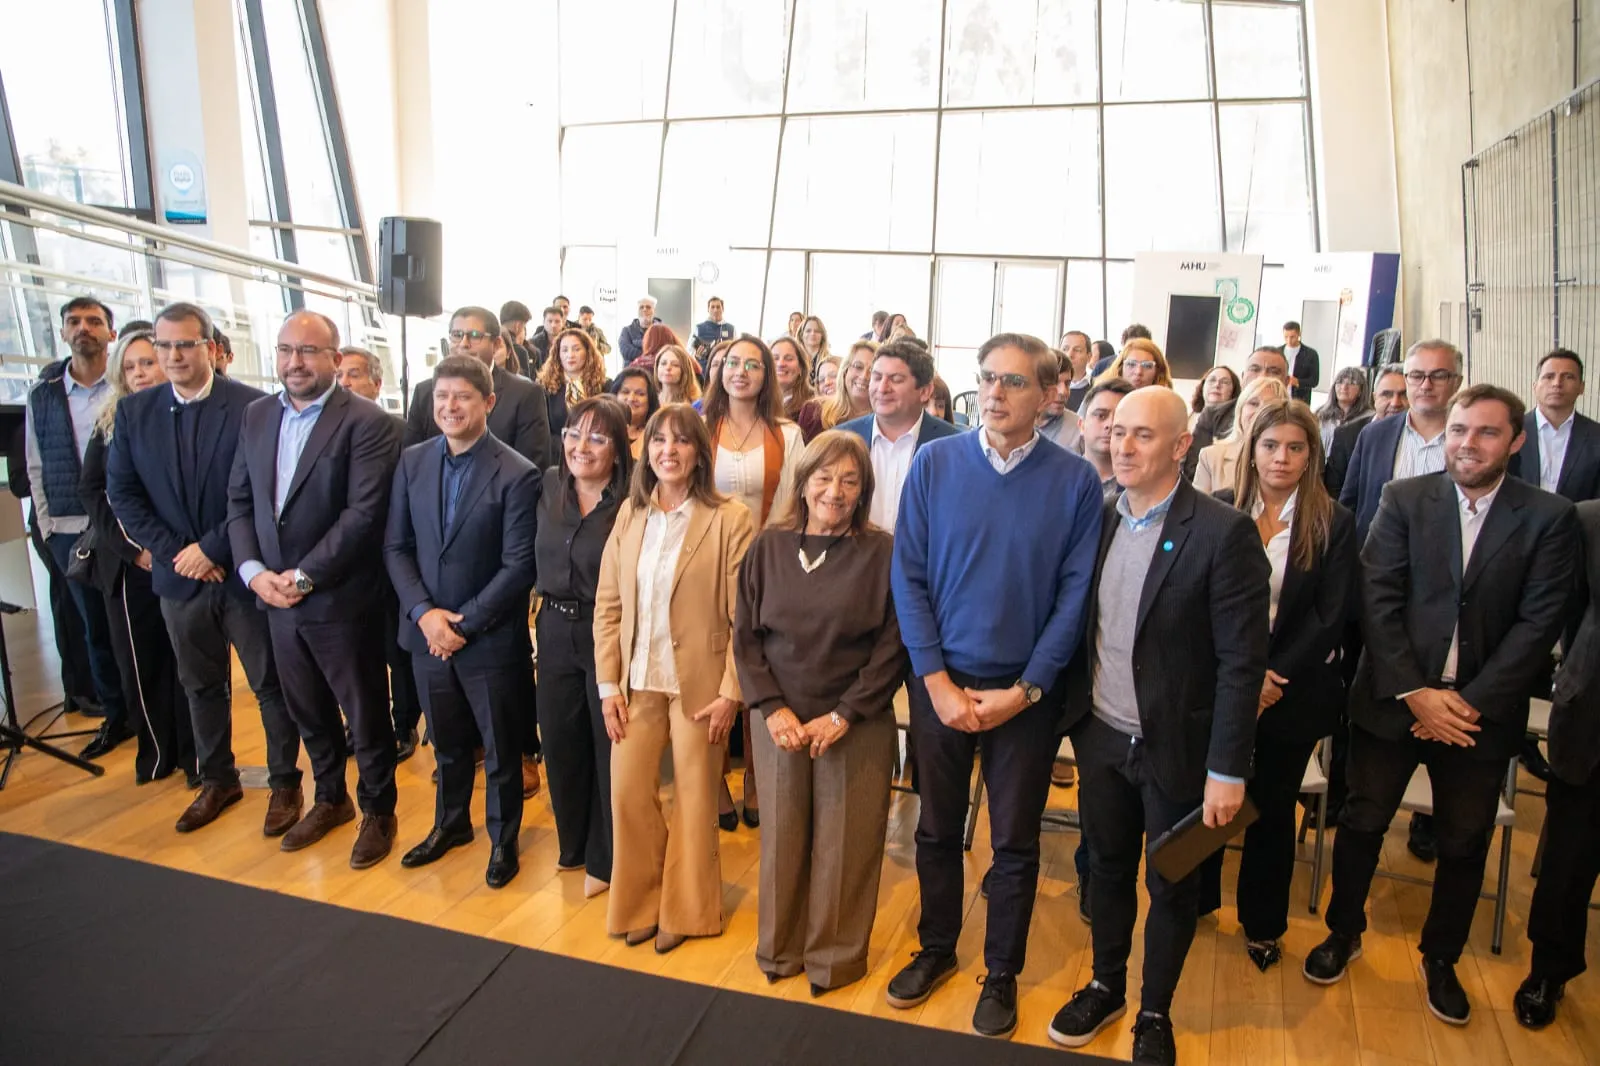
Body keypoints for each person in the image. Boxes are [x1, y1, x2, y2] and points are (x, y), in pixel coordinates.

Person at [1309, 385, 1579, 1027]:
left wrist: (1465, 704)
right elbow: (1377, 598)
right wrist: (1417, 693)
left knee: (1463, 841)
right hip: (1393, 701)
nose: (1466, 443)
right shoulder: (1404, 499)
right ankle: (1343, 931)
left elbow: (1540, 625)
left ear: (1516, 440)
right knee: (1363, 822)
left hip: (1480, 716)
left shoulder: (1548, 516)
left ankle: (1441, 958)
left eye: (1486, 432)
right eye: (1458, 429)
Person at [886, 333, 1102, 1040]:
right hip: (942, 684)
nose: (997, 394)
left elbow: (1074, 598)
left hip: (1025, 697)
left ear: (1047, 396)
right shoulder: (935, 463)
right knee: (938, 829)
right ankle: (938, 948)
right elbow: (908, 578)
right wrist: (937, 684)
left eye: (1014, 382)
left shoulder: (1074, 482)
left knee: (1013, 842)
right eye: (988, 380)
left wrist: (1029, 689)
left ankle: (1001, 971)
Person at [1047, 387, 1268, 1064]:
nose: (1124, 445)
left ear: (1181, 446)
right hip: (1104, 734)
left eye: (1144, 435)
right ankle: (1107, 983)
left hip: (1183, 750)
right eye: (1117, 432)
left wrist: (1227, 770)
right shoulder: (1103, 516)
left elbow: (1241, 662)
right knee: (1107, 870)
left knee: (1172, 883)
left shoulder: (1223, 532)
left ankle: (1154, 1011)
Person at [107, 301, 304, 837]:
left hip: (243, 572)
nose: (172, 355)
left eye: (184, 344)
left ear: (212, 349)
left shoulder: (254, 408)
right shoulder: (135, 413)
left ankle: (285, 782)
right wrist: (179, 553)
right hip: (179, 578)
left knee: (270, 684)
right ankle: (218, 778)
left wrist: (214, 550)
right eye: (163, 345)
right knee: (201, 684)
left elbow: (264, 492)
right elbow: (123, 495)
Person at [228, 310, 403, 868]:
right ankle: (330, 798)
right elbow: (239, 503)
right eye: (285, 350)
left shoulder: (367, 422)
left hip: (339, 597)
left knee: (365, 711)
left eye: (307, 351)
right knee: (307, 708)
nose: (294, 362)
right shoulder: (256, 416)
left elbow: (363, 513)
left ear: (333, 358)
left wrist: (304, 577)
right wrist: (254, 572)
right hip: (274, 597)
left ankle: (378, 810)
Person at [735, 431, 907, 996]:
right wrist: (772, 708)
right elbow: (746, 638)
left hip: (855, 721)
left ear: (863, 493)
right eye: (825, 478)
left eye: (850, 481)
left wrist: (845, 715)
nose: (835, 491)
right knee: (782, 836)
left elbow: (894, 644)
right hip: (779, 720)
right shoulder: (768, 546)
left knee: (847, 841)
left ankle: (833, 960)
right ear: (802, 483)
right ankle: (780, 950)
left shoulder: (883, 552)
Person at [1198, 399, 1356, 969]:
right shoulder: (1217, 509)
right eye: (1270, 446)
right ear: (1252, 449)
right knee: (1213, 800)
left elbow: (1329, 615)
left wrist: (1268, 677)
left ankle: (1263, 923)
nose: (1281, 458)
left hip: (1291, 690)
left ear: (1311, 455)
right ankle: (1197, 902)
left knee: (1270, 809)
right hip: (1221, 684)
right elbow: (1200, 605)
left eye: (1295, 447)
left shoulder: (1333, 522)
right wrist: (1240, 674)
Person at [595, 404, 755, 954]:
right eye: (658, 440)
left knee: (693, 799)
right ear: (645, 451)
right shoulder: (630, 515)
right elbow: (609, 605)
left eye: (681, 441)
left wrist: (733, 689)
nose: (668, 449)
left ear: (699, 453)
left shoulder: (730, 517)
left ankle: (686, 910)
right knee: (629, 792)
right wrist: (607, 685)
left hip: (702, 685)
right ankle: (639, 902)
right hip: (636, 681)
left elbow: (745, 618)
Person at [386, 355, 539, 888]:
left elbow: (519, 565)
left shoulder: (519, 473)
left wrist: (462, 625)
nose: (450, 407)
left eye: (463, 397)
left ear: (488, 403)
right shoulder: (412, 462)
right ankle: (450, 825)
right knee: (446, 743)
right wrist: (426, 616)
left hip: (489, 637)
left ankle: (502, 841)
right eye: (442, 397)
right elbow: (396, 547)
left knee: (499, 751)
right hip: (425, 633)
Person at [79, 329, 193, 781]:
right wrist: (135, 550)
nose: (141, 372)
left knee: (189, 666)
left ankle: (196, 758)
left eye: (149, 362)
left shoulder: (186, 414)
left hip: (184, 559)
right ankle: (157, 754)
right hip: (128, 563)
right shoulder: (109, 422)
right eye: (131, 366)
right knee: (141, 664)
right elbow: (95, 491)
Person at [702, 334, 805, 827]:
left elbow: (792, 506)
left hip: (766, 566)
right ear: (720, 370)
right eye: (733, 363)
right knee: (712, 671)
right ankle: (716, 776)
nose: (741, 371)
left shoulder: (786, 432)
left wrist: (773, 564)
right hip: (706, 565)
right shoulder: (701, 427)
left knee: (760, 668)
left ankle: (758, 777)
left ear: (768, 375)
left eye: (753, 364)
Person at [26, 296, 131, 757]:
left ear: (111, 332)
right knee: (93, 629)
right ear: (63, 332)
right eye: (74, 322)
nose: (83, 328)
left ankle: (157, 713)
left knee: (135, 626)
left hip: (127, 527)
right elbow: (34, 464)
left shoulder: (127, 387)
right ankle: (116, 715)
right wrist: (48, 528)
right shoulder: (43, 394)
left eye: (94, 321)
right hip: (69, 529)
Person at [536, 397, 631, 899]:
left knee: (605, 743)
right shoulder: (548, 486)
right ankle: (572, 845)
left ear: (618, 448)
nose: (581, 446)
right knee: (559, 738)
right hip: (553, 626)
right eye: (573, 434)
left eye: (597, 437)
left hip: (607, 629)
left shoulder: (632, 503)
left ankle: (607, 857)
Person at [1517, 498, 1600, 1029]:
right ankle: (1550, 969)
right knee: (1570, 858)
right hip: (1592, 718)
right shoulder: (1590, 521)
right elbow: (1557, 615)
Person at [840, 339, 962, 533]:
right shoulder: (841, 439)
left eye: (895, 380)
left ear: (924, 391)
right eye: (877, 377)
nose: (882, 388)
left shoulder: (954, 447)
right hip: (855, 559)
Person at [409, 306, 551, 470]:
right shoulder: (425, 392)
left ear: (496, 344)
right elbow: (413, 463)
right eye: (457, 335)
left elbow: (532, 468)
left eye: (475, 336)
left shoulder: (525, 394)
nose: (463, 344)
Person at [1509, 348, 1600, 501]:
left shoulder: (1596, 436)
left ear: (1581, 387)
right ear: (1535, 386)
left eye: (1568, 377)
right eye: (1549, 376)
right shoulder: (1512, 430)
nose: (1557, 384)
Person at [1187, 346, 1292, 478]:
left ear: (1287, 382)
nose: (1262, 376)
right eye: (1255, 369)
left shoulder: (1298, 423)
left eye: (1274, 371)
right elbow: (1192, 470)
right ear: (1243, 377)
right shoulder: (1213, 415)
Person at [1193, 376, 1289, 495]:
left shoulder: (1290, 460)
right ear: (1240, 410)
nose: (1259, 411)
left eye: (1270, 405)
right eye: (1253, 403)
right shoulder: (1210, 457)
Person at [1325, 363, 1407, 497]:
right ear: (1375, 397)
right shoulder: (1346, 435)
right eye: (1387, 394)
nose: (1395, 403)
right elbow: (1333, 490)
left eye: (1403, 395)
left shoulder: (1418, 438)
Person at [539, 326, 609, 453]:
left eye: (576, 349)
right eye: (564, 350)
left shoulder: (605, 385)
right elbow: (542, 432)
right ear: (557, 354)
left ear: (588, 352)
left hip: (594, 453)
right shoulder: (544, 388)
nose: (570, 355)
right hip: (557, 455)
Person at [1080, 380, 1135, 499]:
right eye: (1101, 415)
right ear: (1081, 425)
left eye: (1119, 417)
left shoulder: (1144, 485)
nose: (1110, 424)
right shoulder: (1058, 476)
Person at [771, 335, 823, 442]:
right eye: (775, 358)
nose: (781, 364)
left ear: (801, 368)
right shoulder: (755, 402)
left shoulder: (813, 408)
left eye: (788, 359)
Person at [1314, 366, 1374, 451]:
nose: (1344, 387)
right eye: (1340, 382)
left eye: (1352, 383)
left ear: (1361, 390)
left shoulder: (1370, 418)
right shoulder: (1320, 414)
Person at [1038, 349, 1084, 452]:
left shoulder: (1079, 428)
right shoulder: (1013, 426)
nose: (1063, 391)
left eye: (1067, 384)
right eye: (1055, 382)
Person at [821, 341, 873, 430]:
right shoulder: (816, 413)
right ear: (845, 371)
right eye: (858, 367)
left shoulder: (887, 421)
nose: (864, 376)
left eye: (872, 370)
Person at [610, 367, 658, 459]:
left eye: (640, 394)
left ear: (650, 400)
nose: (631, 398)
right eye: (625, 392)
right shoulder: (603, 430)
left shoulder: (655, 435)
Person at [1096, 338, 1173, 391]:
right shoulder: (1103, 400)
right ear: (1120, 367)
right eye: (1131, 364)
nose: (1138, 372)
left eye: (1147, 366)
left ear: (1158, 371)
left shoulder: (1167, 405)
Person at [1190, 365, 1241, 430]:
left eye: (1224, 382)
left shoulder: (1238, 425)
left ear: (1233, 390)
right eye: (1212, 380)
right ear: (1203, 386)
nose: (1217, 385)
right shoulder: (1187, 417)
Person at [1284, 321, 1319, 404]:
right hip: (1278, 399)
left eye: (1292, 337)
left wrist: (1297, 382)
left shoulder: (1310, 354)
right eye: (1286, 337)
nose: (1289, 340)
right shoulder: (1278, 352)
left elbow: (1314, 381)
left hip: (1300, 401)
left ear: (1299, 334)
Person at [618, 297, 660, 364]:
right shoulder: (626, 331)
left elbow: (664, 352)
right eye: (641, 307)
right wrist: (650, 355)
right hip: (632, 373)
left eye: (648, 307)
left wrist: (637, 344)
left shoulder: (662, 331)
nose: (644, 309)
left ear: (654, 310)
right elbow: (626, 352)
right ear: (637, 310)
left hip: (654, 373)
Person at [692, 296, 736, 362]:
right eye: (712, 307)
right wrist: (697, 356)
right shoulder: (698, 328)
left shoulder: (731, 329)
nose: (715, 310)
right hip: (704, 370)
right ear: (708, 309)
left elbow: (736, 351)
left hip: (724, 370)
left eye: (718, 307)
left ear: (723, 309)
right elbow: (689, 353)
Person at [527, 306, 568, 374]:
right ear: (543, 322)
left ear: (563, 323)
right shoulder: (533, 342)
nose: (553, 325)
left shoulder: (570, 340)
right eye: (550, 321)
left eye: (557, 321)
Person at [1062, 331, 1095, 412]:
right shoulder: (1047, 388)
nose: (1069, 354)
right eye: (1065, 349)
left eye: (1077, 350)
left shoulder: (1098, 388)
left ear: (1089, 357)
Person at [500, 301, 535, 375]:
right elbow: (525, 384)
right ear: (517, 325)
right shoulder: (520, 351)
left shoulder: (488, 343)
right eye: (524, 325)